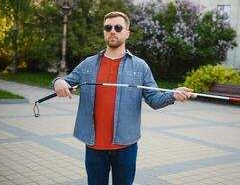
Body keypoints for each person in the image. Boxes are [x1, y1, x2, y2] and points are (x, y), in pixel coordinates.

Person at [53, 11, 195, 185]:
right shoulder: (88, 64)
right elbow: (64, 81)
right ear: (104, 31)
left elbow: (154, 99)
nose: (113, 31)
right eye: (108, 27)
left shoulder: (140, 66)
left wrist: (172, 94)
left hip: (126, 146)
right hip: (94, 146)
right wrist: (58, 82)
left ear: (127, 33)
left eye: (118, 27)